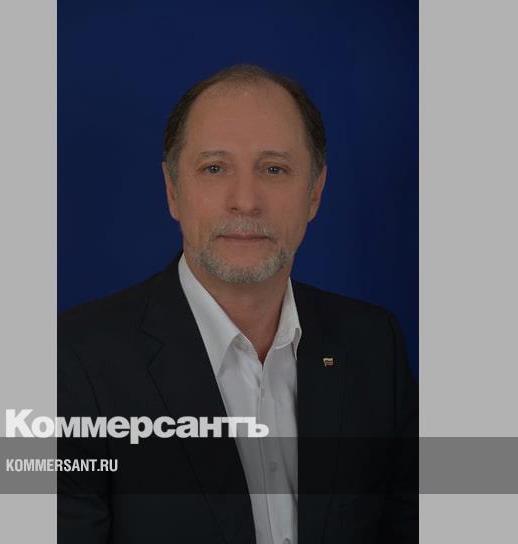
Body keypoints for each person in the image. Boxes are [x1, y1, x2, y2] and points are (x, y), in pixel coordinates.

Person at [58, 64, 418, 544]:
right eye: (214, 168)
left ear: (314, 193)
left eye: (274, 169)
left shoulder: (373, 343)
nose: (245, 201)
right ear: (173, 191)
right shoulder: (74, 361)